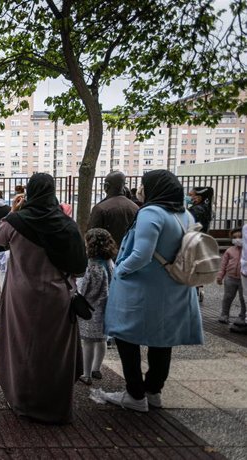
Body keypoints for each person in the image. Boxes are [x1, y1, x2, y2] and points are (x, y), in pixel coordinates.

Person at [102, 170, 203, 413]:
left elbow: (141, 254)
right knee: (162, 341)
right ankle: (153, 391)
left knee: (126, 337)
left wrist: (119, 270)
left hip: (143, 289)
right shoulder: (184, 215)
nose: (140, 189)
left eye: (144, 185)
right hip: (174, 287)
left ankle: (135, 394)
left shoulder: (150, 213)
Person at [0, 173, 87, 424]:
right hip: (57, 297)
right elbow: (80, 265)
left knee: (23, 347)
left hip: (21, 297)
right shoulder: (67, 224)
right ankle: (55, 405)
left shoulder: (16, 221)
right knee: (54, 352)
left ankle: (23, 400)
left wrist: (13, 210)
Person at [77, 228, 116, 385]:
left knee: (88, 342)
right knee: (102, 340)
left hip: (92, 310)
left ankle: (86, 374)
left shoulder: (92, 266)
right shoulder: (109, 262)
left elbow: (86, 290)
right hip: (108, 308)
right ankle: (96, 368)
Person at [88, 171, 139, 248]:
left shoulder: (100, 208)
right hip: (129, 254)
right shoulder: (135, 207)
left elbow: (92, 237)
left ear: (106, 186)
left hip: (106, 256)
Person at [217, 228, 245, 325]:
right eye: (234, 237)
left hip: (243, 279)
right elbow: (223, 265)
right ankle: (224, 315)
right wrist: (220, 276)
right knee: (228, 297)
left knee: (243, 298)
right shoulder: (229, 251)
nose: (237, 239)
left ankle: (242, 317)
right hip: (230, 278)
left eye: (240, 237)